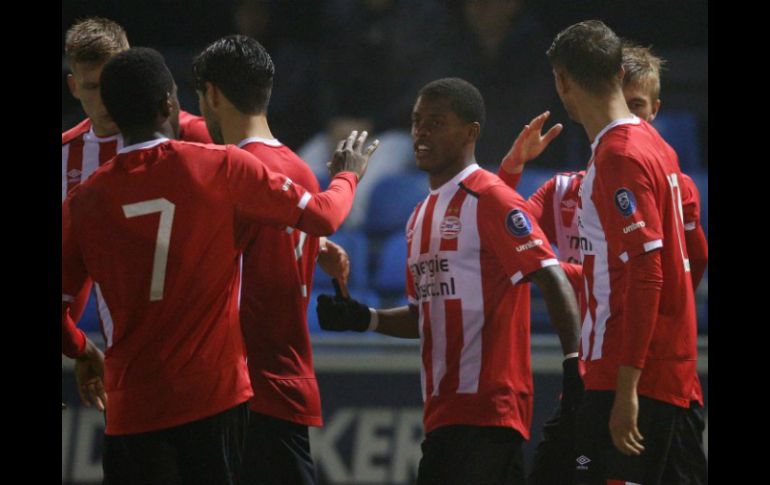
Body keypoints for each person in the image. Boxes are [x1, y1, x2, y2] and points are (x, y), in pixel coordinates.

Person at [61, 47, 376, 485]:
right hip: (212, 403)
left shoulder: (84, 200)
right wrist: (348, 174)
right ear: (169, 104)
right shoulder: (219, 166)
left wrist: (82, 348)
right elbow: (323, 213)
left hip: (131, 409)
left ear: (111, 114)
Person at [315, 77, 582, 485]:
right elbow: (426, 314)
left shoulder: (490, 198)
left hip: (488, 413)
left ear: (471, 132)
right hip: (444, 415)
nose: (421, 132)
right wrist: (364, 318)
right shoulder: (418, 216)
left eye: (436, 123)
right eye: (417, 121)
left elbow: (550, 276)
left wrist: (572, 368)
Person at [496, 40, 708, 485]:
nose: (631, 111)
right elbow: (502, 231)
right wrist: (512, 168)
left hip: (629, 368)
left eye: (639, 104)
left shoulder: (626, 159)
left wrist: (559, 274)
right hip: (613, 367)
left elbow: (660, 272)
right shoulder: (576, 184)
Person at [191, 34, 354, 485]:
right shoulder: (299, 170)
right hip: (289, 383)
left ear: (213, 94)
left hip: (241, 392)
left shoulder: (226, 173)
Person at [62, 17, 213, 327]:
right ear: (74, 86)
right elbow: (71, 267)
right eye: (92, 87)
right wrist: (79, 347)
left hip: (204, 345)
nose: (106, 98)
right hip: (127, 357)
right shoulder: (66, 158)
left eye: (114, 82)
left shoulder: (195, 136)